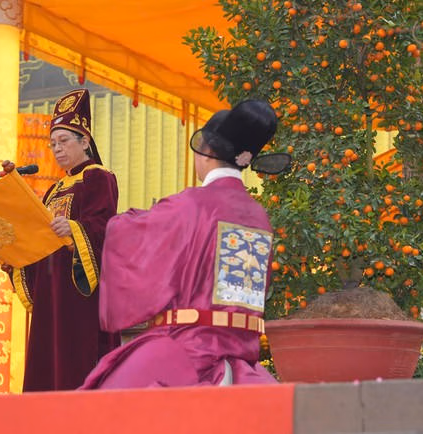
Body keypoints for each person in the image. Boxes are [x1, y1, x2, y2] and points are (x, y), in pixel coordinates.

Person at [80, 99, 290, 389]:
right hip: (243, 360)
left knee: (101, 406)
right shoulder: (258, 216)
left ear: (207, 152)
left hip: (188, 351)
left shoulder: (190, 206)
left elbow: (127, 236)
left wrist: (122, 220)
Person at [0, 89, 120, 392]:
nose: (57, 149)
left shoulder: (98, 177)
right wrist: (12, 255)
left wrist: (74, 229)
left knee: (77, 364)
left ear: (84, 141)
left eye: (63, 141)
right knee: (48, 366)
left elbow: (105, 228)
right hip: (52, 292)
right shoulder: (55, 189)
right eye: (53, 144)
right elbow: (40, 240)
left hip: (79, 294)